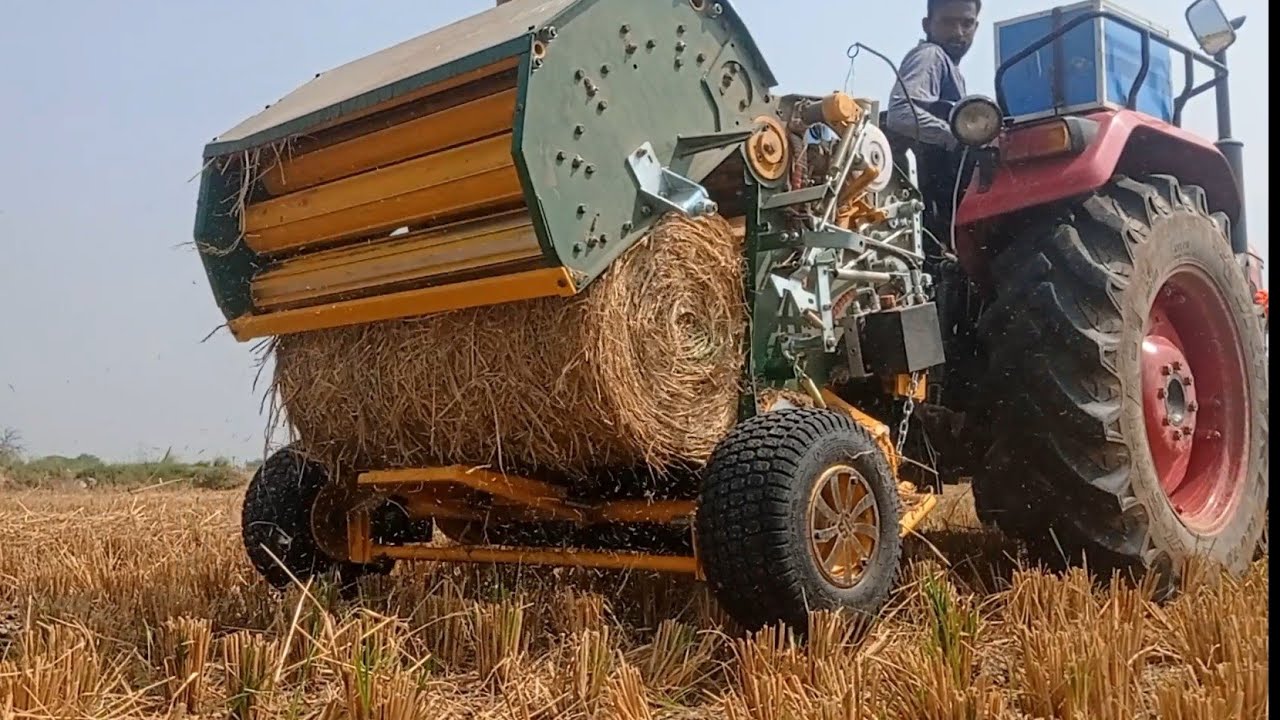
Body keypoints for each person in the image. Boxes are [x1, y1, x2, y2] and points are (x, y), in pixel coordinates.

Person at [883, 0, 981, 245]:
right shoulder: (930, 55)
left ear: (976, 26)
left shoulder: (952, 70)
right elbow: (901, 113)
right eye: (948, 22)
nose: (958, 32)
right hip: (921, 202)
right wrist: (956, 138)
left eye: (967, 23)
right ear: (927, 25)